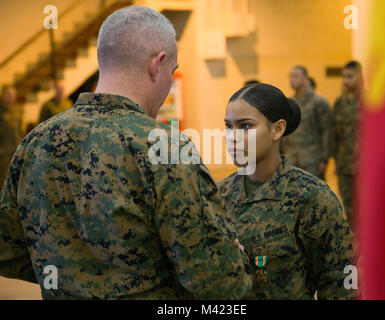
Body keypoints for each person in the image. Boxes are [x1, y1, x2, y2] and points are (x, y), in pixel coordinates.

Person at [0, 6, 252, 300]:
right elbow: (217, 282)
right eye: (171, 71)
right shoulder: (165, 147)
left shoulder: (35, 142)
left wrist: (74, 275)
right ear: (157, 65)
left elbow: (8, 252)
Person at [219, 83, 355, 299]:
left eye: (245, 127)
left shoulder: (311, 197)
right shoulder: (218, 194)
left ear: (277, 129)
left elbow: (341, 282)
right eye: (228, 126)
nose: (232, 137)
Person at [281, 66, 333, 179]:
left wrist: (325, 159)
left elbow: (327, 131)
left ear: (305, 78)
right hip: (292, 159)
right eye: (290, 76)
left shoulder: (319, 102)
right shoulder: (289, 103)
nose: (292, 79)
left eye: (295, 76)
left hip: (312, 160)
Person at [332, 61, 363, 230]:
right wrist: (336, 162)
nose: (345, 80)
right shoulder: (339, 103)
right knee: (349, 208)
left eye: (350, 76)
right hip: (345, 164)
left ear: (360, 76)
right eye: (343, 77)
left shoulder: (370, 101)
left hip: (366, 165)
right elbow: (336, 135)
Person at [0, 85, 22, 185]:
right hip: (4, 151)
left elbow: (20, 129)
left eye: (13, 95)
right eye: (9, 95)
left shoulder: (18, 110)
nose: (12, 97)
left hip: (17, 149)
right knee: (4, 179)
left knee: (17, 177)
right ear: (3, 95)